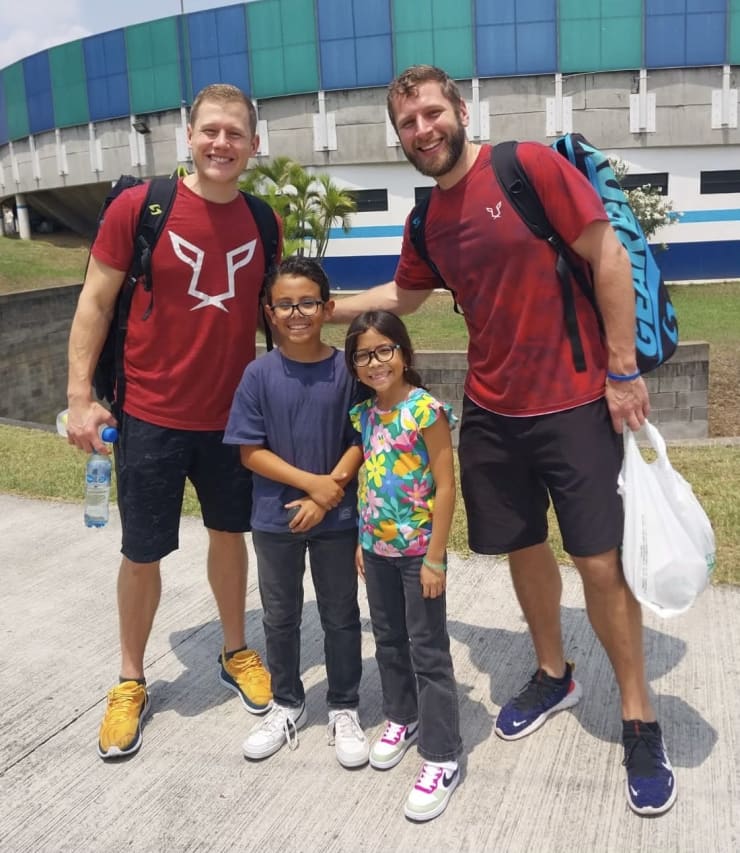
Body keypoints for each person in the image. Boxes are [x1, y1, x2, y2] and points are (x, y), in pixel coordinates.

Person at [331, 65, 676, 817]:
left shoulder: (527, 167)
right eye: (407, 125)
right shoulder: (426, 221)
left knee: (596, 559)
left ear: (459, 108)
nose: (422, 130)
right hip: (491, 409)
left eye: (430, 113)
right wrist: (321, 309)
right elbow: (408, 295)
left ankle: (639, 715)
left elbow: (607, 253)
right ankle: (554, 672)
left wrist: (622, 370)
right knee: (522, 546)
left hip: (578, 398)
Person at [65, 83, 278, 759]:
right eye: (210, 130)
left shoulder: (262, 220)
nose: (222, 143)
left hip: (230, 417)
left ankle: (234, 647)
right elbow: (95, 304)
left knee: (228, 535)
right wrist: (79, 397)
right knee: (142, 551)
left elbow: (276, 311)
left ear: (252, 143)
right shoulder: (142, 206)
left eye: (234, 133)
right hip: (151, 415)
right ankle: (131, 677)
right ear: (189, 136)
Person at [224, 256, 369, 768]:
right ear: (269, 312)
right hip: (274, 517)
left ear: (328, 308)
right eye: (284, 304)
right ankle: (286, 701)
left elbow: (360, 439)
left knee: (341, 614)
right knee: (280, 615)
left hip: (337, 520)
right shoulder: (258, 374)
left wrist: (329, 494)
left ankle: (344, 705)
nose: (296, 312)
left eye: (307, 302)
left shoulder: (346, 372)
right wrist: (315, 487)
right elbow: (249, 451)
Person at [345, 309, 462, 822]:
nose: (375, 362)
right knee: (388, 640)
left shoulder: (425, 411)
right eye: (364, 355)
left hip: (419, 557)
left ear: (404, 352)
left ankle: (442, 755)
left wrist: (436, 557)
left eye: (383, 350)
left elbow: (445, 486)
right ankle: (401, 716)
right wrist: (360, 539)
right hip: (376, 550)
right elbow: (368, 479)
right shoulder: (365, 415)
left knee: (428, 651)